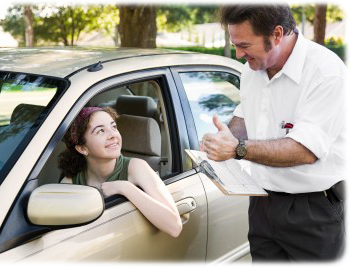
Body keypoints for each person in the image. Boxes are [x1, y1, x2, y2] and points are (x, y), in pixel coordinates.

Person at [201, 4, 346, 261]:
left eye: (244, 45)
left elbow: (304, 150)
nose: (238, 53)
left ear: (277, 34)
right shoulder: (251, 69)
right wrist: (228, 136)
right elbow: (246, 114)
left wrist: (237, 149)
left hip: (312, 210)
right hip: (262, 204)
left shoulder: (325, 72)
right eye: (235, 44)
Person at [58, 106, 182, 238]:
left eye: (114, 127)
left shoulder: (136, 167)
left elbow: (174, 226)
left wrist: (125, 188)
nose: (113, 135)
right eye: (101, 131)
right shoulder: (70, 181)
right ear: (82, 148)